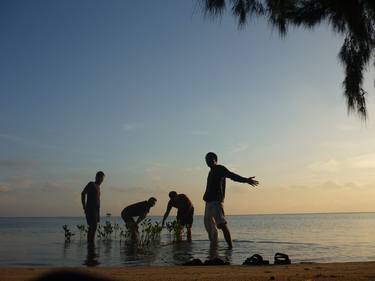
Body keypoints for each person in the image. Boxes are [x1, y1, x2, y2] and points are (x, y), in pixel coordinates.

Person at [203, 152, 259, 248]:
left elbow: (232, 176)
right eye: (207, 160)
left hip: (216, 202)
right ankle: (214, 248)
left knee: (222, 225)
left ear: (215, 160)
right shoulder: (211, 171)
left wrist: (246, 180)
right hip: (208, 203)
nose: (208, 161)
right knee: (210, 228)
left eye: (210, 159)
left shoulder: (220, 169)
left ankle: (230, 247)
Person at [81, 171, 105, 244]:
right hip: (90, 210)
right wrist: (84, 207)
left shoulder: (98, 187)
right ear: (96, 177)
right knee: (92, 228)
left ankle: (91, 246)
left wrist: (98, 213)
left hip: (96, 211)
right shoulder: (91, 184)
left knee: (94, 229)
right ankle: (90, 246)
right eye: (100, 178)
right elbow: (83, 193)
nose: (101, 180)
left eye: (102, 179)